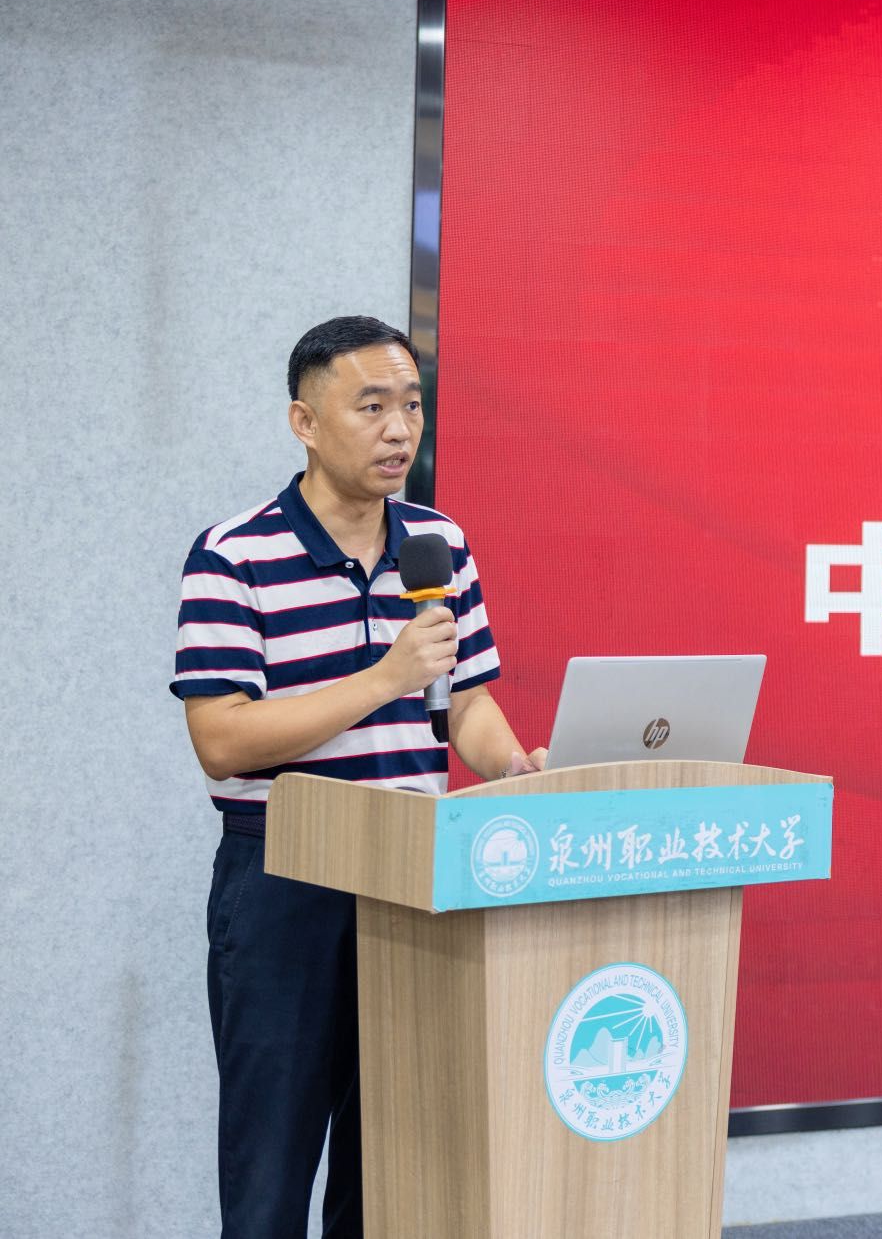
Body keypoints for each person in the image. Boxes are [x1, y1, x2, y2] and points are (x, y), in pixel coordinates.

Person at [170, 315, 545, 1238]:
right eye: (371, 407)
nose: (399, 430)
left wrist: (514, 764)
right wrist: (383, 678)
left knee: (390, 1168)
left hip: (415, 876)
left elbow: (466, 703)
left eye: (411, 406)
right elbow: (222, 740)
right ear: (304, 421)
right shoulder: (233, 555)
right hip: (285, 879)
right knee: (271, 1170)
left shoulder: (438, 545)